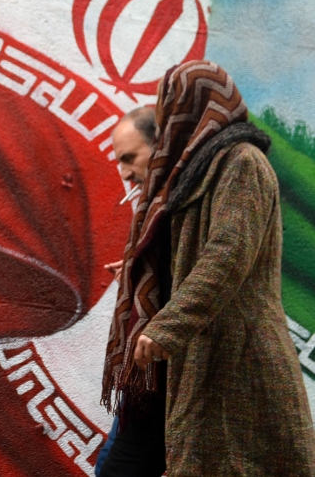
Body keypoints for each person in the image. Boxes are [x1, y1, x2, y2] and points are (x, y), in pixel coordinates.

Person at [102, 60, 315, 476]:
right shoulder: (183, 176)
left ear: (195, 107)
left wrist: (167, 327)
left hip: (226, 357)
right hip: (173, 360)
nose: (168, 119)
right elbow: (192, 255)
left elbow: (228, 254)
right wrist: (140, 269)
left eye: (173, 106)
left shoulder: (241, 162)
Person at [95, 106, 167, 477]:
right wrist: (137, 275)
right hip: (141, 375)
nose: (124, 173)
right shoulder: (156, 202)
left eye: (129, 158)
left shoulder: (183, 200)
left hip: (161, 374)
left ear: (161, 145)